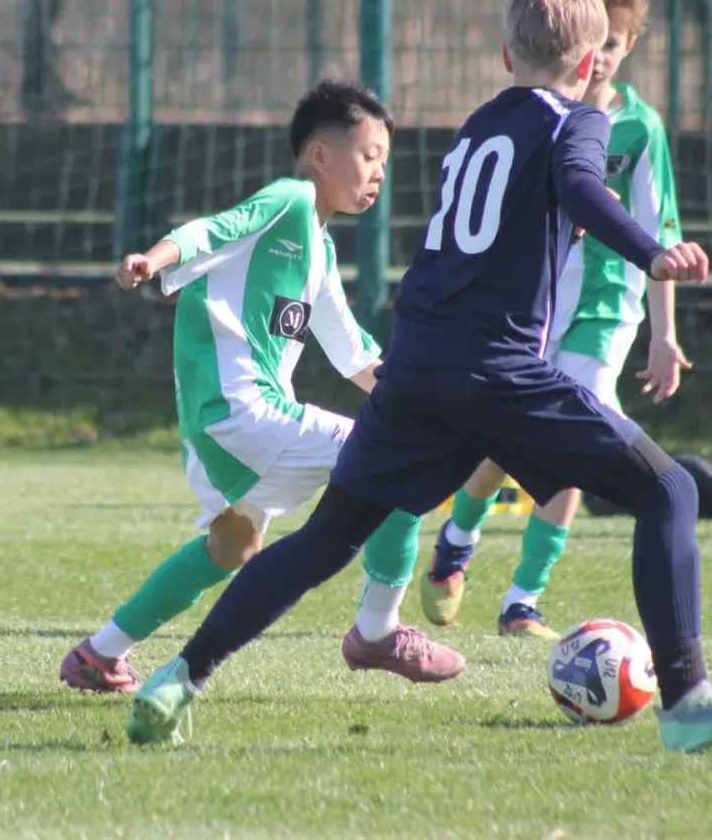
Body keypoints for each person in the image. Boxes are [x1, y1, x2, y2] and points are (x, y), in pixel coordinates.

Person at [126, 0, 712, 754]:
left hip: (417, 366)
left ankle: (178, 675)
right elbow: (580, 184)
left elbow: (515, 216)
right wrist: (650, 252)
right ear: (591, 63)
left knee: (324, 539)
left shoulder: (479, 126)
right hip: (498, 370)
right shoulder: (579, 119)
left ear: (507, 56)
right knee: (668, 489)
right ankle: (687, 697)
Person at [59, 79, 457, 695]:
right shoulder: (291, 199)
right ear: (319, 155)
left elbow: (354, 356)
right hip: (241, 410)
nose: (379, 172)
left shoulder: (319, 248)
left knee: (232, 548)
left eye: (384, 159)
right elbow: (212, 228)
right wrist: (154, 259)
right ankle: (377, 631)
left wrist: (431, 398)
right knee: (395, 464)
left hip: (219, 424)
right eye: (369, 154)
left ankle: (99, 654)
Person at [420, 0, 689, 641]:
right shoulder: (540, 117)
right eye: (597, 45)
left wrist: (664, 333)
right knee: (517, 435)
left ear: (625, 48)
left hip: (606, 304)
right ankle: (458, 537)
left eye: (616, 46)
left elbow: (658, 232)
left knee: (575, 429)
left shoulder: (639, 128)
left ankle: (522, 599)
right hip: (541, 297)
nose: (603, 59)